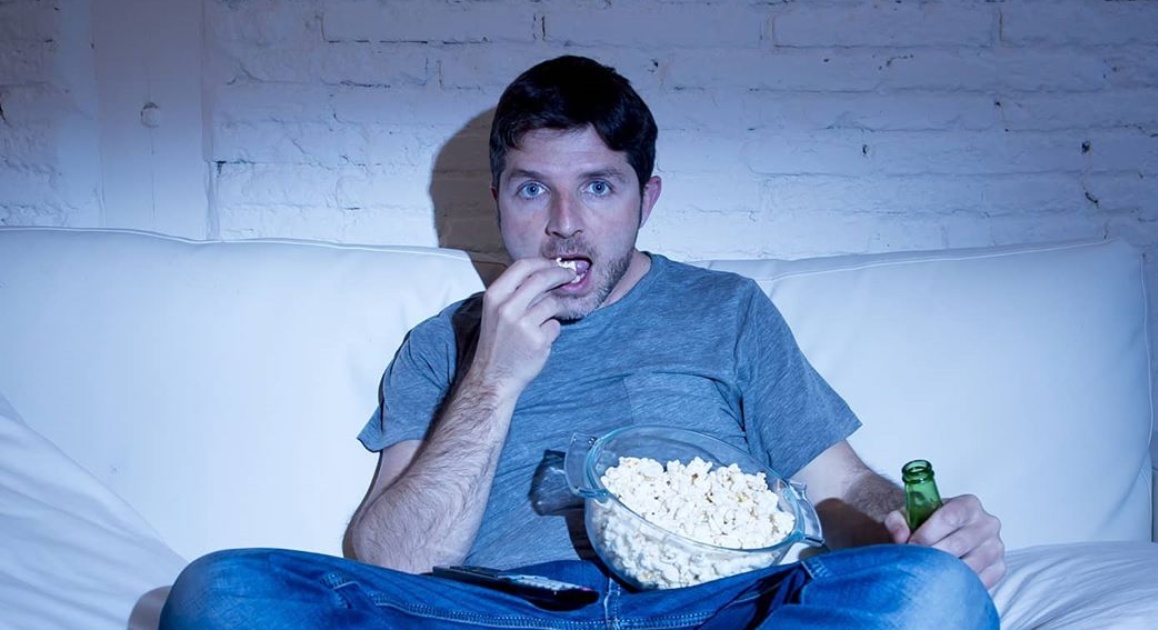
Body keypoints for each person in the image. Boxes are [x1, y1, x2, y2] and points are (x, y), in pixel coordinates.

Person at [161, 55, 1005, 629]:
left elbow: (842, 489)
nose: (565, 226)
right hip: (496, 610)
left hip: (715, 606)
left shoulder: (728, 310)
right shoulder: (441, 342)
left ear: (646, 197)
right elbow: (391, 556)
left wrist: (911, 523)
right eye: (534, 189)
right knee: (222, 591)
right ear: (498, 197)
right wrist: (493, 376)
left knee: (930, 592)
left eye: (598, 187)